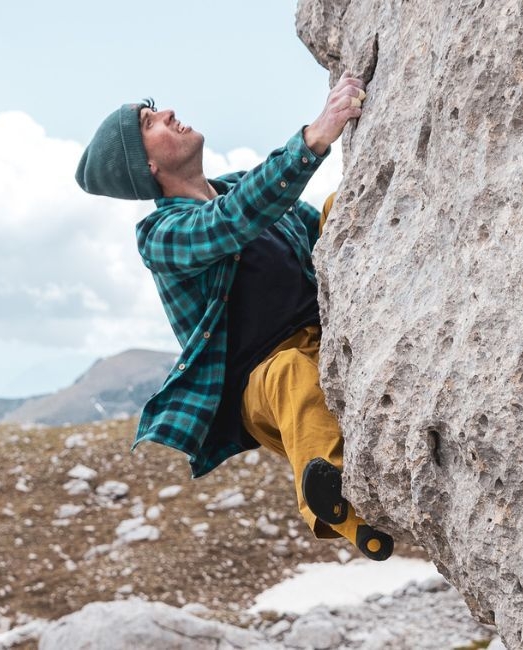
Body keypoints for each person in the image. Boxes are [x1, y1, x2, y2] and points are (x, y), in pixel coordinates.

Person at [74, 72, 393, 560]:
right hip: (262, 385)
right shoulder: (161, 236)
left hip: (328, 341)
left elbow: (321, 234)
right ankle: (343, 512)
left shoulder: (245, 188)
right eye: (148, 121)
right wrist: (313, 139)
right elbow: (227, 224)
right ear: (149, 166)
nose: (167, 114)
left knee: (339, 206)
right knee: (292, 377)